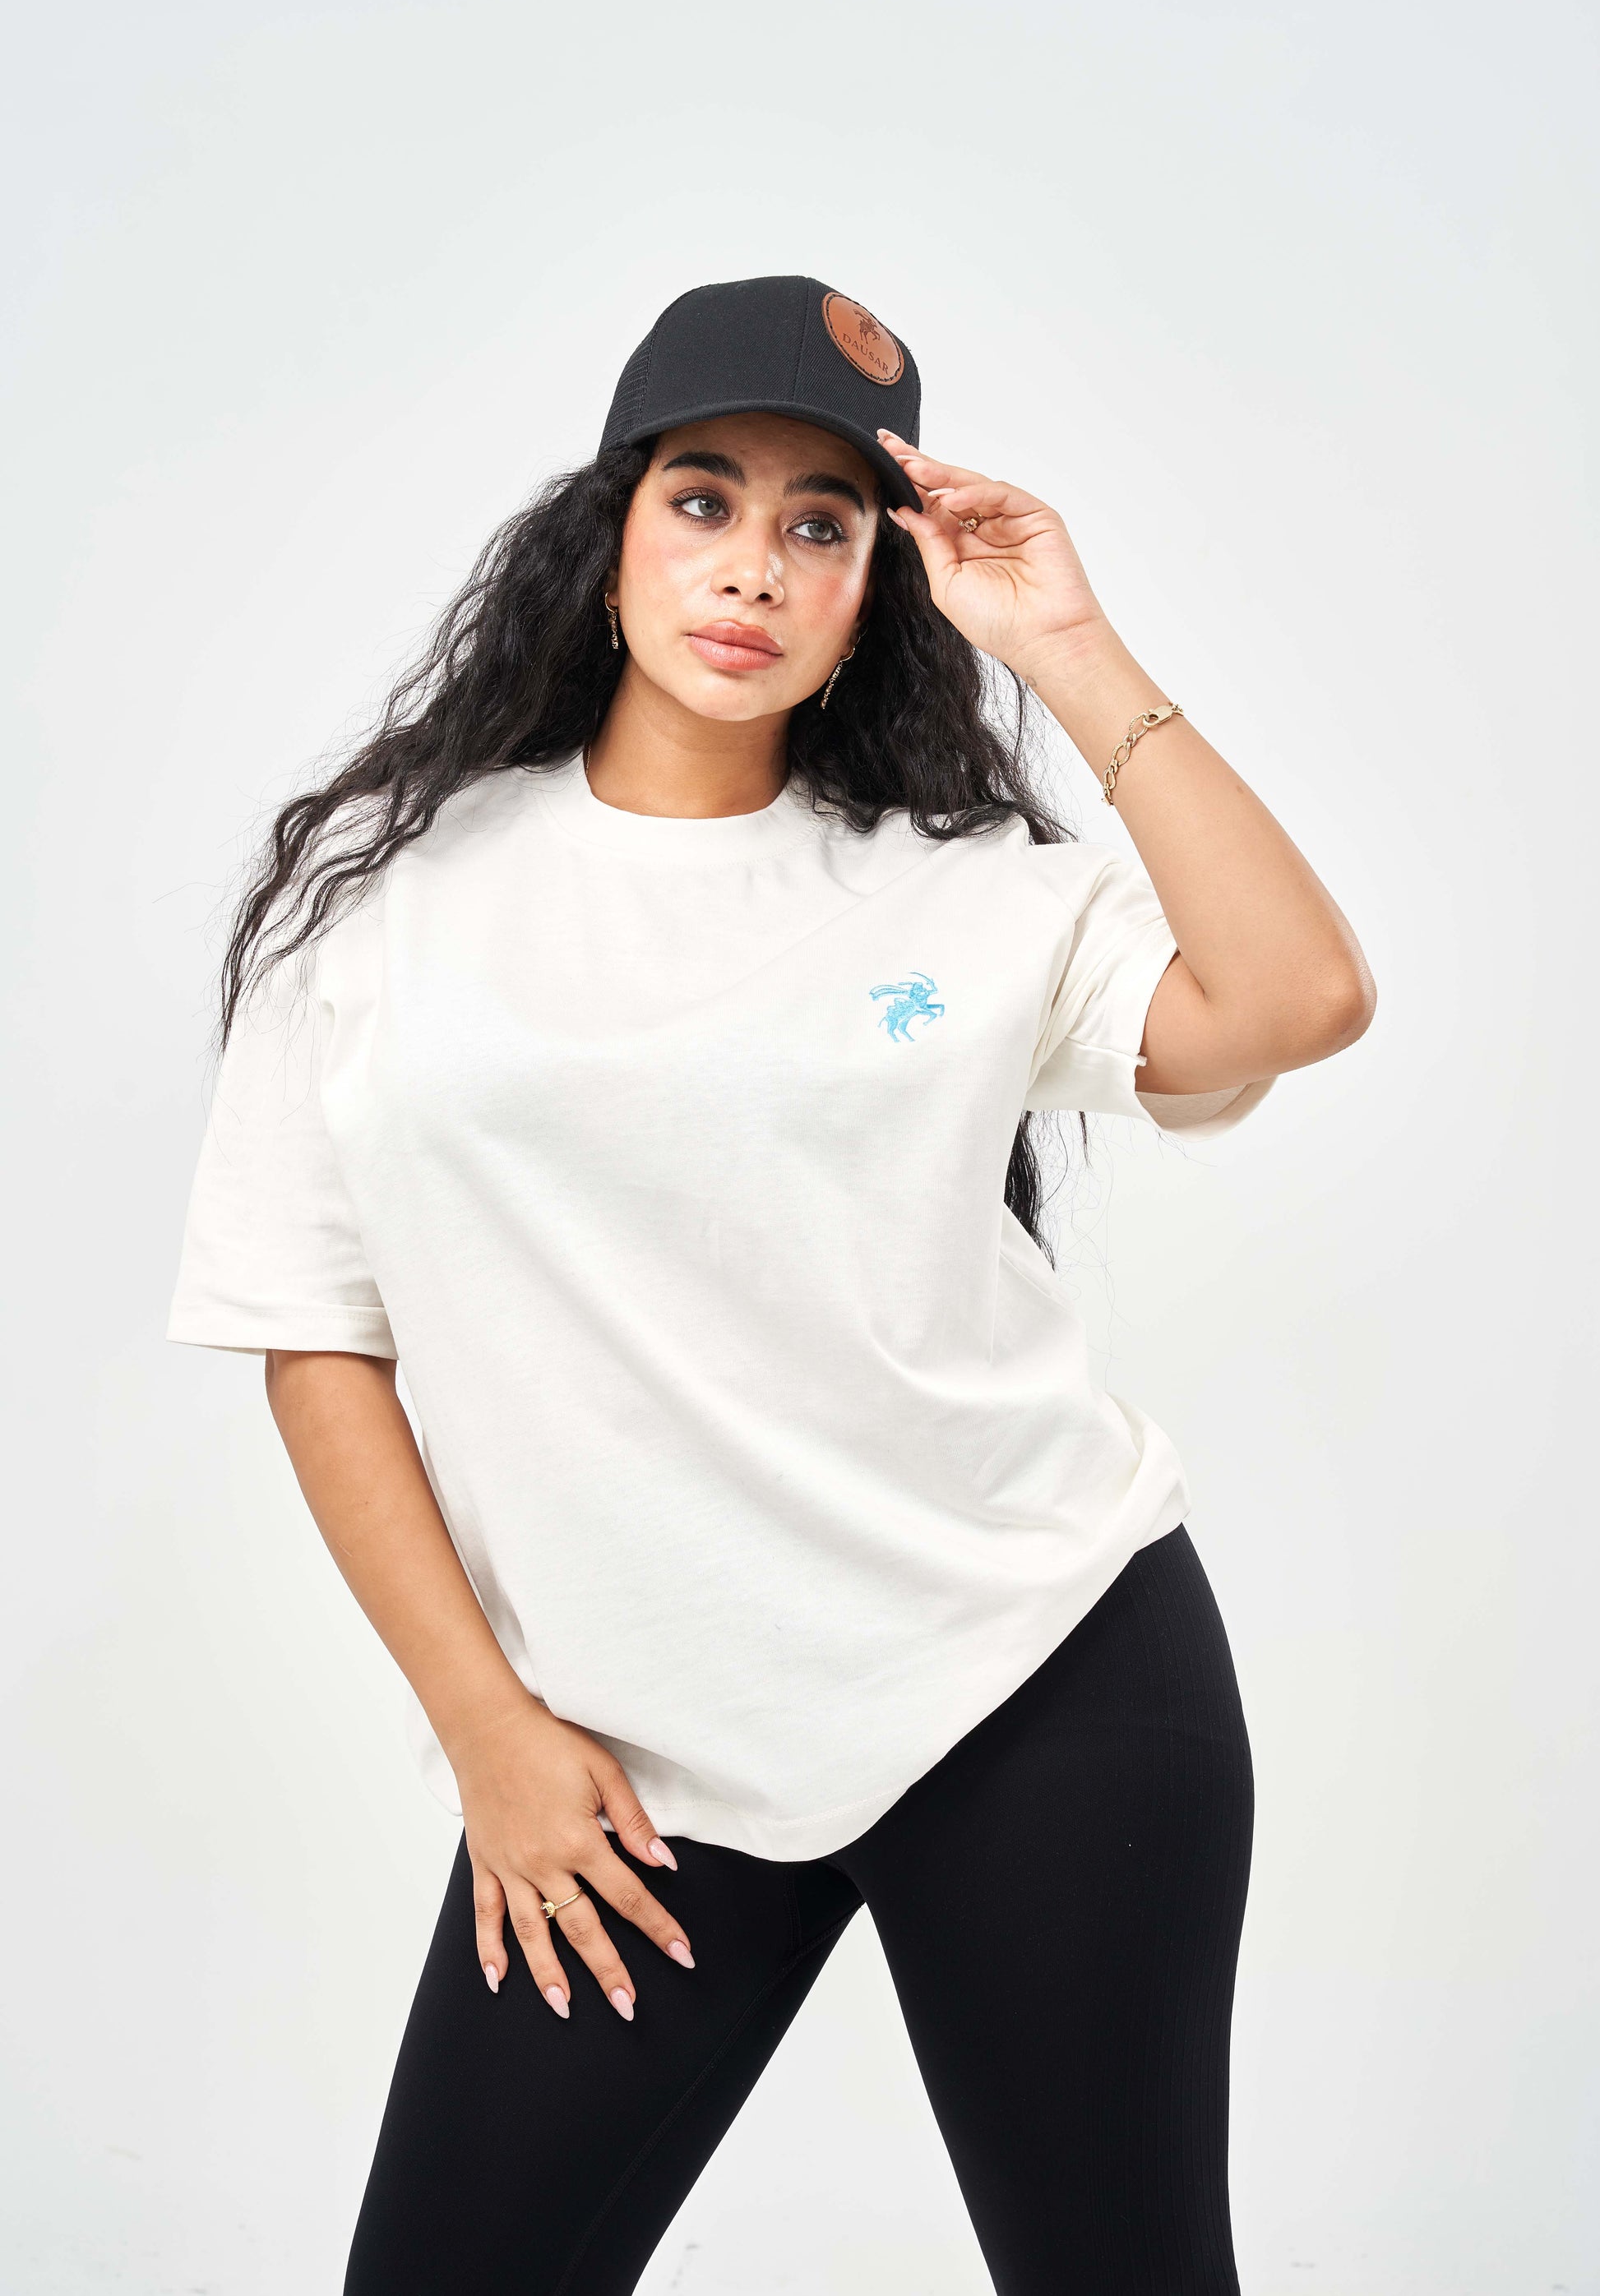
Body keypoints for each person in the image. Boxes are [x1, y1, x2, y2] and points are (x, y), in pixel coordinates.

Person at [168, 274, 1374, 2294]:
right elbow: (317, 1337)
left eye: (823, 524)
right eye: (705, 501)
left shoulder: (966, 891)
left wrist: (1068, 646)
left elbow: (1298, 994)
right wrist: (486, 1728)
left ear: (875, 586)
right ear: (609, 536)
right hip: (634, 1762)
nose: (754, 567)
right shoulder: (388, 898)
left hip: (1038, 1675)